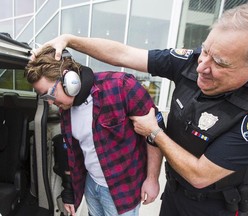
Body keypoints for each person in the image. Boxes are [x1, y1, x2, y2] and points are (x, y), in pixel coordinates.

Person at [32, 2, 248, 215]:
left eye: (219, 62)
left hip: (212, 205)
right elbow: (124, 55)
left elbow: (200, 175)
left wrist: (154, 133)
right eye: (206, 51)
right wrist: (70, 39)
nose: (201, 66)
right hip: (174, 193)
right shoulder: (193, 60)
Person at [25, 46, 164, 216]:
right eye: (45, 97)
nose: (50, 103)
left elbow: (155, 134)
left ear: (70, 80)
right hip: (91, 185)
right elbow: (72, 154)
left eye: (50, 94)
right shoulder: (66, 108)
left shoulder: (121, 86)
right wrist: (70, 192)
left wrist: (152, 179)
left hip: (122, 190)